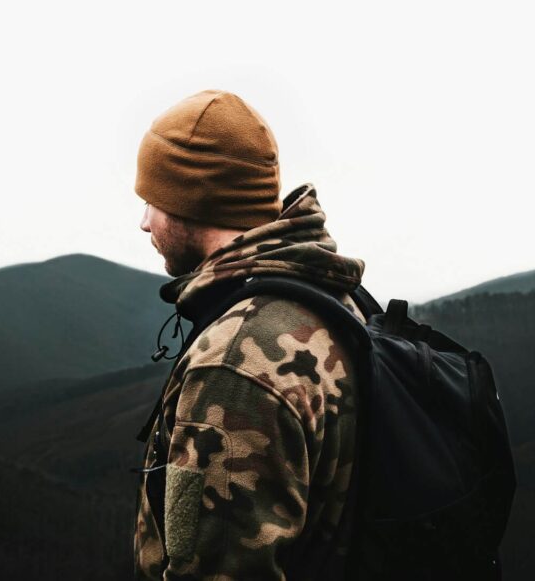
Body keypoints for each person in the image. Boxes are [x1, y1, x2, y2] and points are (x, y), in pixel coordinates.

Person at [132, 89, 367, 580]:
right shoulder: (333, 299)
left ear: (192, 199)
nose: (143, 221)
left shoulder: (236, 363)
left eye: (152, 199)